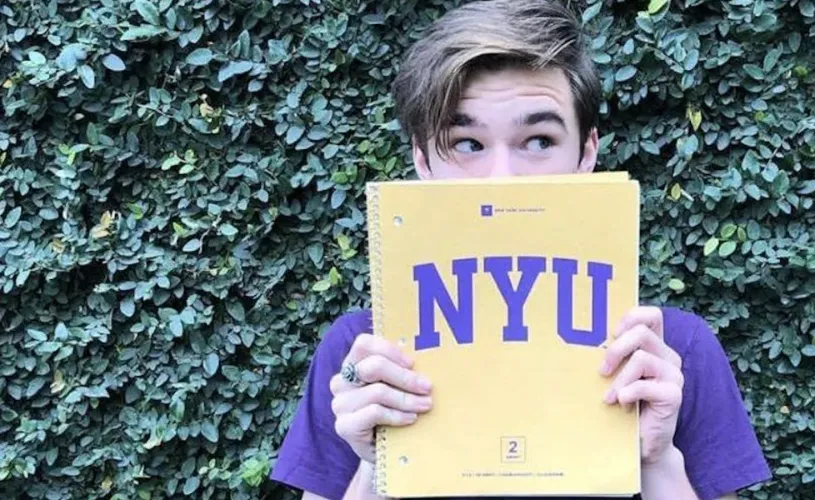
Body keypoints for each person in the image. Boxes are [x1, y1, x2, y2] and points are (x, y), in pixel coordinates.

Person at [269, 0, 772, 498]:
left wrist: (657, 460)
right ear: (423, 162)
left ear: (586, 154)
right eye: (467, 144)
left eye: (538, 141)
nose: (502, 180)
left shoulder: (668, 352)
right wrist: (373, 466)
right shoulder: (365, 354)